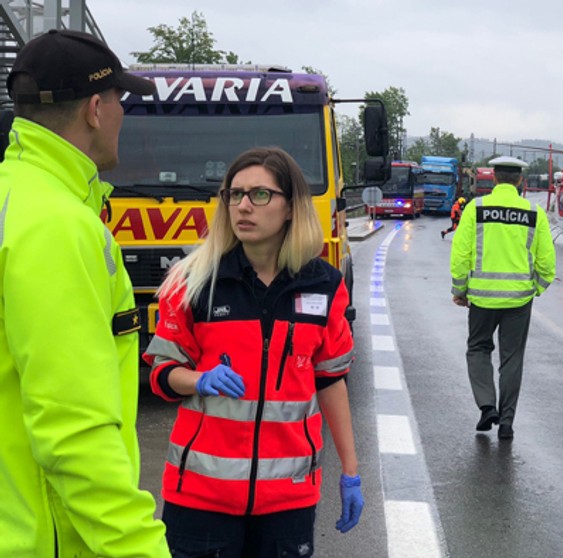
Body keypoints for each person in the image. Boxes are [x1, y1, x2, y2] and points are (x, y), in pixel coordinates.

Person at [143, 146, 364, 555]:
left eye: (260, 195)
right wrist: (198, 379)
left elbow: (331, 380)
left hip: (289, 498)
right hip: (200, 496)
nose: (243, 206)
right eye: (234, 194)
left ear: (291, 207)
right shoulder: (193, 281)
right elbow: (161, 372)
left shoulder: (325, 285)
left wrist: (350, 471)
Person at [0, 30, 170, 558]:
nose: (123, 115)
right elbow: (73, 431)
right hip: (43, 537)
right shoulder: (57, 225)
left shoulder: (14, 195)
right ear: (96, 109)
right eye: (121, 101)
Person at [450, 156, 556, 440]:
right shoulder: (534, 213)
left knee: (478, 349)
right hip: (519, 301)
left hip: (482, 300)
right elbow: (547, 263)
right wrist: (536, 288)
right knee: (512, 359)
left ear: (495, 179)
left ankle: (487, 407)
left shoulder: (476, 209)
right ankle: (506, 423)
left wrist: (459, 290)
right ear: (520, 181)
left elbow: (460, 254)